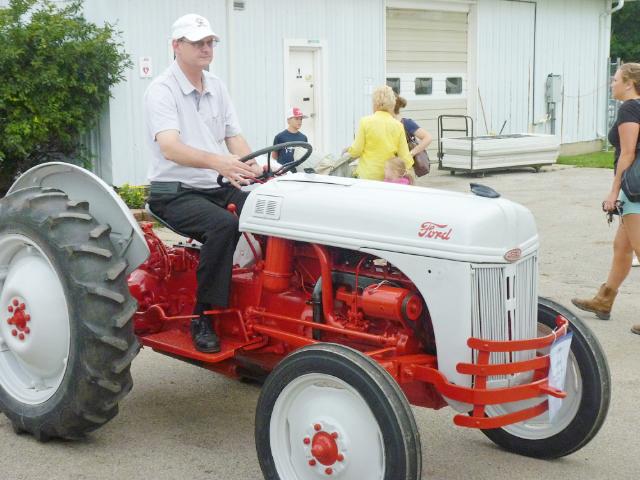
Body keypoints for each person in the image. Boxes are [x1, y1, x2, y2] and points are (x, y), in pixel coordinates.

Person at [144, 13, 262, 353]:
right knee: (223, 226)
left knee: (271, 212)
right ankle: (204, 316)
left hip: (216, 183)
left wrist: (252, 166)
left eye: (209, 42)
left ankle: (267, 305)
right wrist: (219, 161)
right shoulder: (162, 91)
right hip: (175, 190)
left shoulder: (216, 86)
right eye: (198, 43)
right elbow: (170, 147)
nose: (206, 48)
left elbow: (233, 137)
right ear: (176, 46)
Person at [571, 63, 640, 335]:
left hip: (634, 189)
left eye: (615, 80)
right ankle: (604, 299)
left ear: (628, 83)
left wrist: (614, 191)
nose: (611, 84)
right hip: (634, 188)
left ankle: (605, 298)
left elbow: (628, 153)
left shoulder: (630, 108)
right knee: (621, 248)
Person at [345, 85, 413, 180]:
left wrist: (349, 150)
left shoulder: (365, 122)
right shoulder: (398, 126)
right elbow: (405, 157)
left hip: (367, 175)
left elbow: (356, 151)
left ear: (375, 104)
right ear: (392, 105)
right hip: (389, 176)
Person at [394, 94, 433, 167]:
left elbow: (428, 138)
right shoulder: (385, 123)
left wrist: (411, 153)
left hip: (405, 166)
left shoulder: (406, 123)